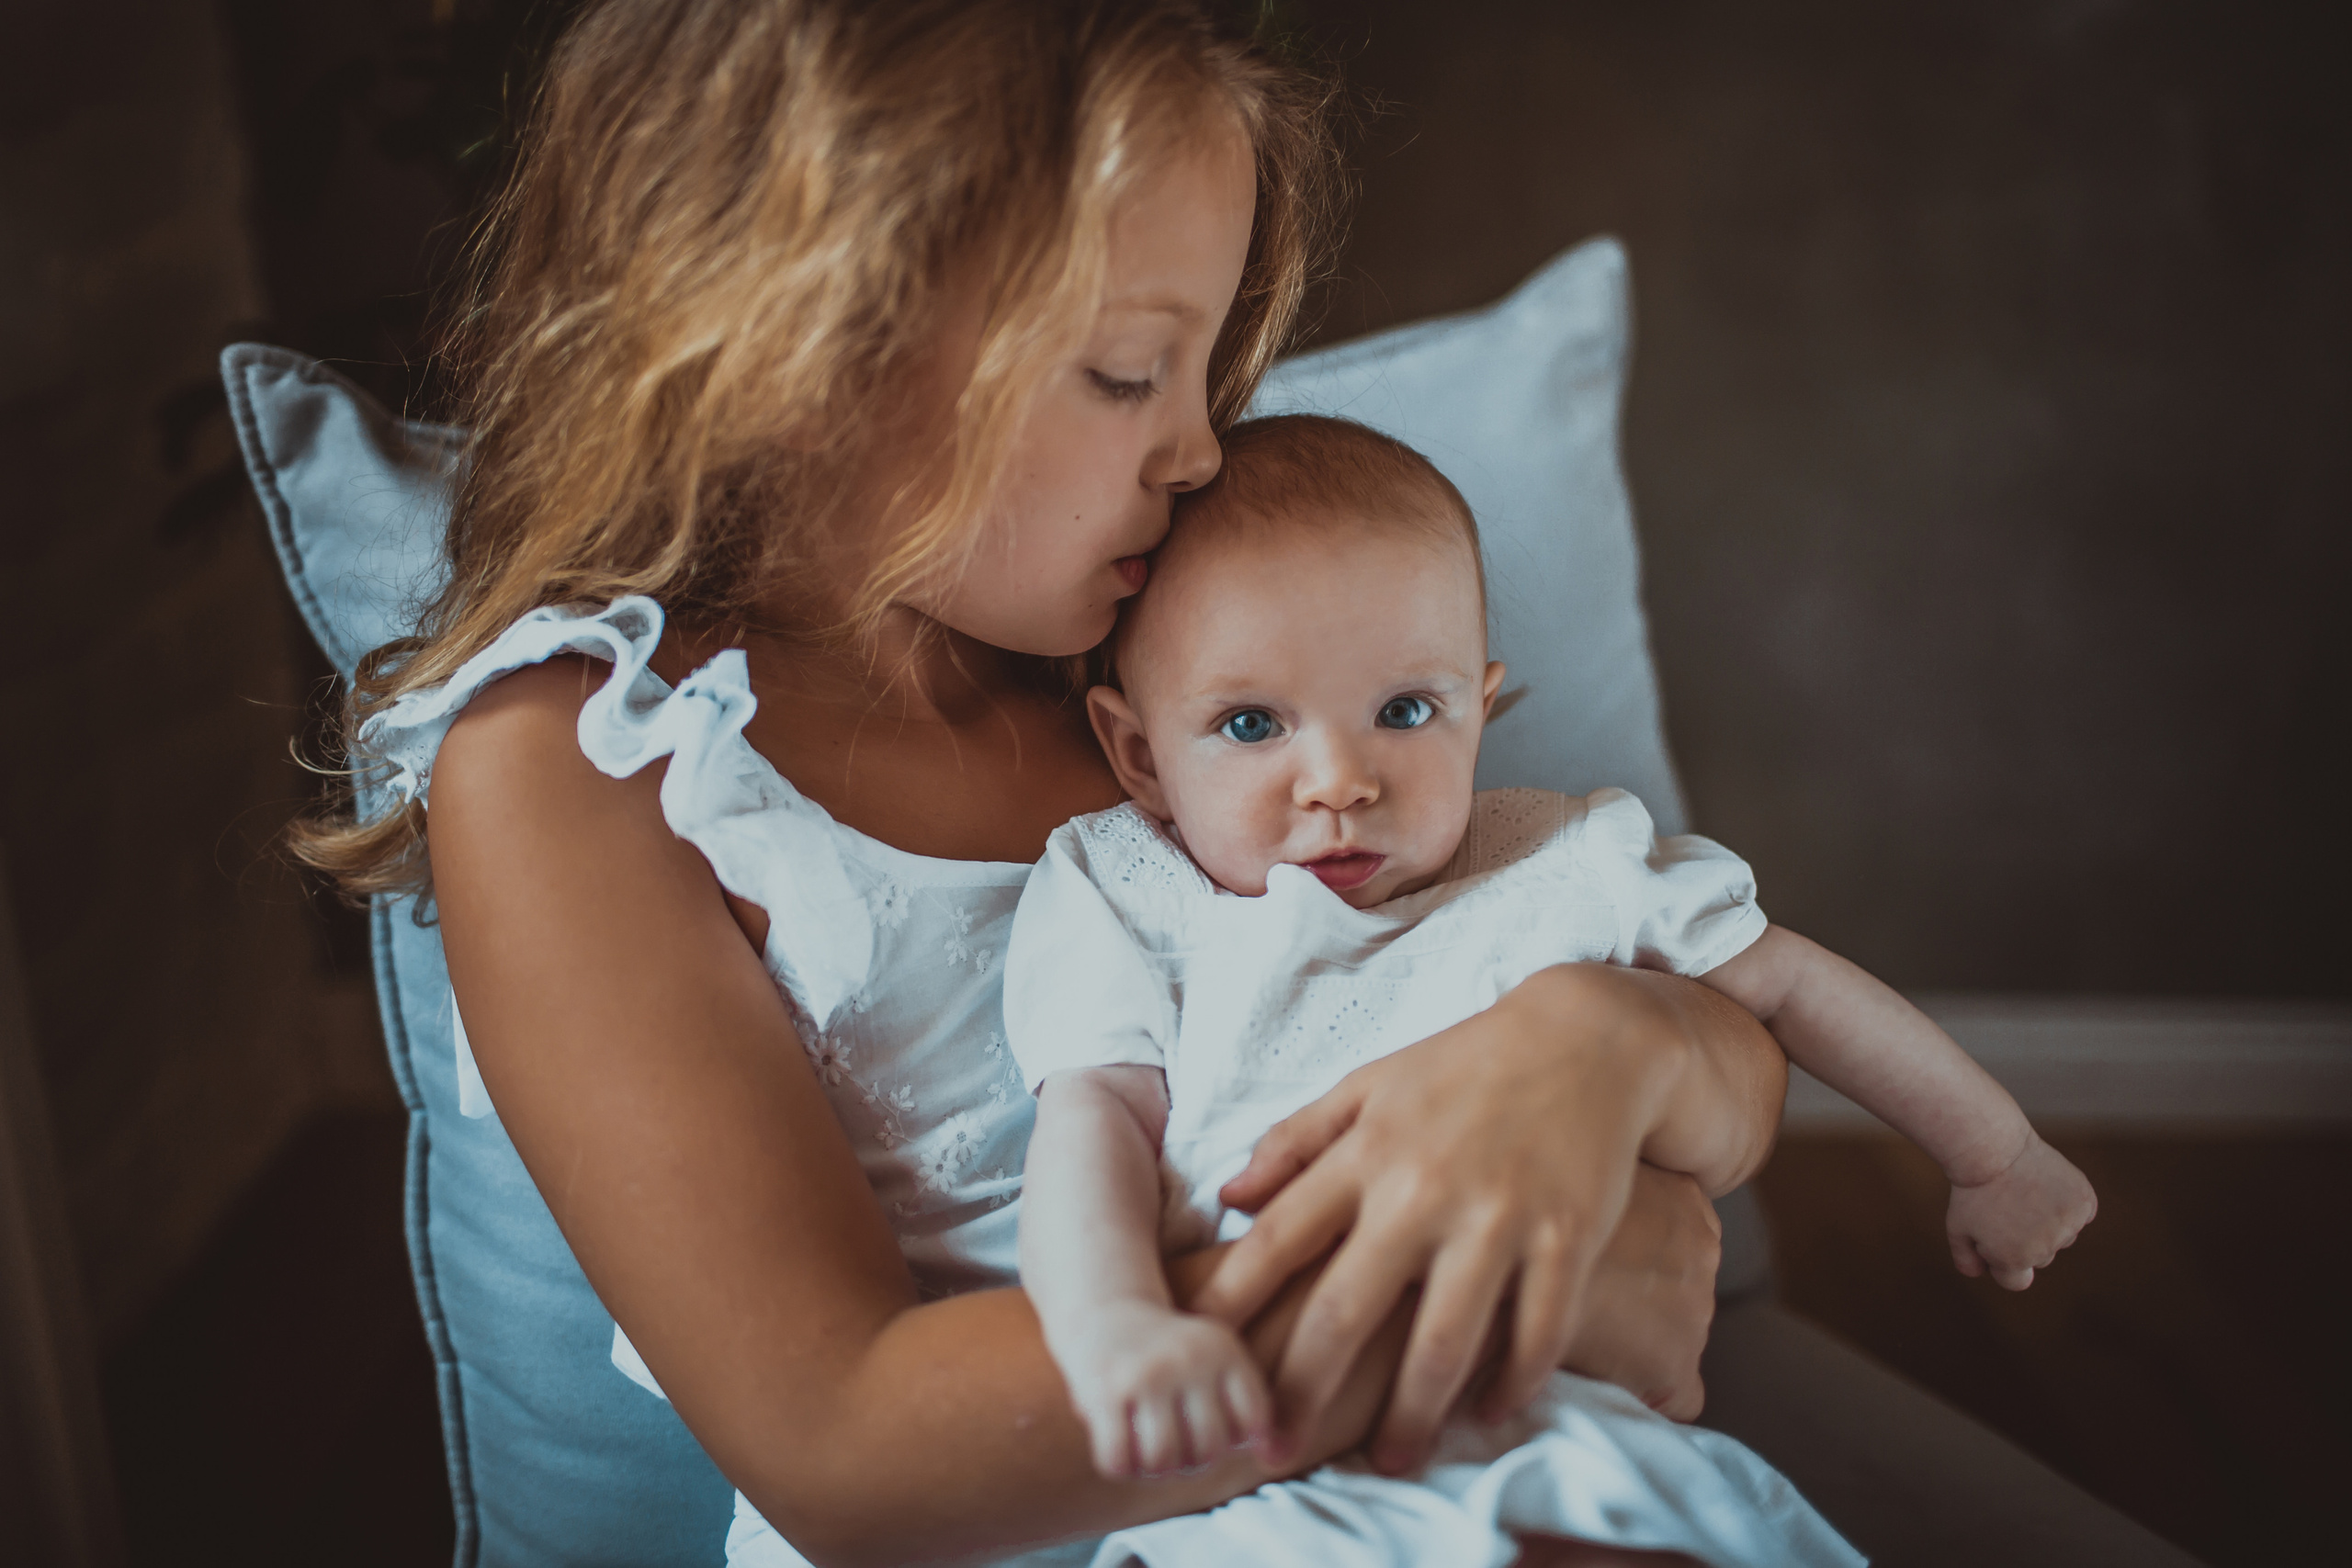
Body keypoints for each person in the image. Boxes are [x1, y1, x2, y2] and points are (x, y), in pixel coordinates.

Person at [301, 4, 1792, 1563]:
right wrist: (1457, 1290)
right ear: (805, 338)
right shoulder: (585, 765)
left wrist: (1604, 1046)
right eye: (1128, 369)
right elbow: (846, 1445)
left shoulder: (1171, 662)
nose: (1202, 449)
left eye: (1209, 363)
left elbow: (1703, 1058)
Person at [1005, 414, 2098, 1565]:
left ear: (1481, 706)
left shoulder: (1558, 864)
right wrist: (1115, 1324)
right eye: (1248, 724)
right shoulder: (1129, 894)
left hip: (1565, 1426)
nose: (1338, 781)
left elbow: (1784, 983)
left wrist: (1993, 1152)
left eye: (1405, 711)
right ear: (1138, 756)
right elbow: (1092, 1123)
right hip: (1270, 1480)